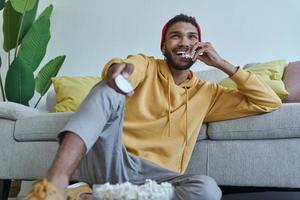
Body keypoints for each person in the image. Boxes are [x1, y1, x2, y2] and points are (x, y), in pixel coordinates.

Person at [24, 14, 281, 200]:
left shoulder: (209, 93)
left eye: (192, 37)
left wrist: (223, 64)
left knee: (207, 190)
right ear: (163, 46)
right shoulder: (147, 65)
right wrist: (118, 71)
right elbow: (128, 68)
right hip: (113, 159)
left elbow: (268, 100)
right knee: (108, 90)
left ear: (200, 48)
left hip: (156, 178)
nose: (184, 42)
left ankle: (95, 195)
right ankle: (55, 183)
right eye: (175, 36)